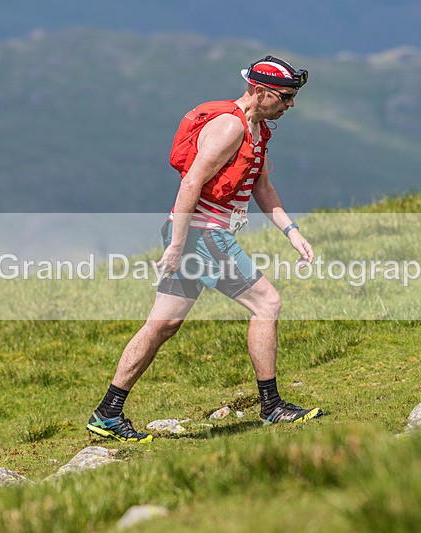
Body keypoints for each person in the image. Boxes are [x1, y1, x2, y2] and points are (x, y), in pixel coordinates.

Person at [87, 56, 323, 442]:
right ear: (261, 92)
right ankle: (272, 406)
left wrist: (291, 231)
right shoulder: (230, 126)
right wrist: (178, 245)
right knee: (267, 304)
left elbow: (262, 186)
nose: (291, 104)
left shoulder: (259, 129)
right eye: (285, 96)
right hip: (203, 235)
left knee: (163, 325)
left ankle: (108, 411)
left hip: (199, 236)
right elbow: (191, 182)